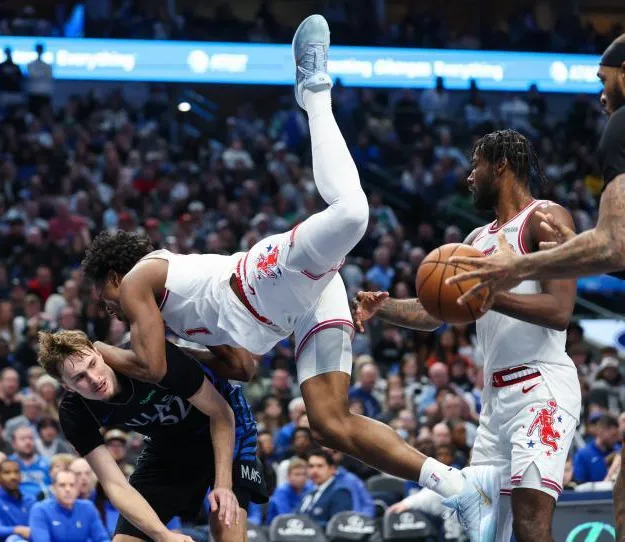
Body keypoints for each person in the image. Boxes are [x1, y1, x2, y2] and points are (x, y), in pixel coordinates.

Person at [80, 13, 497, 541]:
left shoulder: (141, 279)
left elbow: (153, 365)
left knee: (352, 214)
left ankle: (313, 89)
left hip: (261, 281)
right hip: (292, 311)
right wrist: (188, 353)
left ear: (116, 274)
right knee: (328, 423)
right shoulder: (169, 322)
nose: (109, 308)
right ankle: (458, 487)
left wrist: (100, 350)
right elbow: (242, 366)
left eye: (105, 295)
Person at [355, 129, 581, 542]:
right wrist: (382, 308)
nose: (469, 177)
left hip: (542, 388)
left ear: (501, 164)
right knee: (483, 530)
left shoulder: (545, 218)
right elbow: (434, 312)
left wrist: (489, 295)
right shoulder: (476, 240)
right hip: (494, 403)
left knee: (530, 522)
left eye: (475, 166)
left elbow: (560, 311)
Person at [38, 329, 265, 542]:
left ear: (99, 353)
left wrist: (223, 485)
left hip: (226, 428)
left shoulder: (148, 356)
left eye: (93, 364)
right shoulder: (74, 413)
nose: (95, 379)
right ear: (67, 386)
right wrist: (163, 535)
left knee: (226, 526)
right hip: (168, 446)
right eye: (79, 378)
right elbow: (115, 485)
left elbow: (221, 414)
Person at [445, 34, 625, 300]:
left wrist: (517, 266)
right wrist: (576, 249)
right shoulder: (478, 235)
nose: (601, 97)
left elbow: (615, 247)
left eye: (603, 81)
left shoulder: (620, 125)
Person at [28, 469, 110, 542]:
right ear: (53, 489)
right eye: (62, 485)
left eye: (72, 485)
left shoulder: (88, 507)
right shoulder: (40, 510)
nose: (68, 489)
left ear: (78, 488)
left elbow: (102, 539)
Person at [0, 460, 34, 542]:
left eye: (16, 472)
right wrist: (19, 530)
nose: (13, 476)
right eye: (7, 473)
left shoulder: (29, 499)